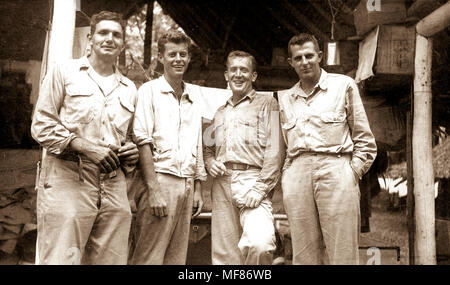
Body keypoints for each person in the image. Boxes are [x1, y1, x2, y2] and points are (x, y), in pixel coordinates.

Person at [31, 11, 139, 265]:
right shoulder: (65, 71)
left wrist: (130, 151)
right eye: (103, 33)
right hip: (68, 177)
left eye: (116, 35)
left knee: (111, 261)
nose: (109, 39)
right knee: (61, 258)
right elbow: (42, 125)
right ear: (90, 38)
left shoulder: (129, 88)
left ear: (122, 44)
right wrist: (84, 147)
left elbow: (129, 138)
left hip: (113, 183)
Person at [278, 33, 377, 265]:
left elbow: (365, 140)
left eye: (309, 55)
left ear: (320, 56)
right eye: (298, 57)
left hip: (336, 169)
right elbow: (283, 146)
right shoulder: (286, 99)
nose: (305, 62)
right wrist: (288, 176)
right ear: (290, 62)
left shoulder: (343, 85)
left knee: (342, 252)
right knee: (303, 254)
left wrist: (351, 172)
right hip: (298, 174)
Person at [129, 30, 207, 265]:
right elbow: (142, 140)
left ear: (189, 58)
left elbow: (197, 143)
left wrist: (198, 188)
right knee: (149, 257)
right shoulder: (149, 91)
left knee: (176, 259)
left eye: (183, 54)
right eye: (172, 54)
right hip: (160, 181)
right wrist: (153, 190)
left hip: (186, 184)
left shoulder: (194, 95)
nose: (178, 59)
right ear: (161, 57)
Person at [204, 50, 285, 265]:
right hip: (222, 185)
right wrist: (210, 162)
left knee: (260, 245)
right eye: (234, 70)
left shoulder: (269, 104)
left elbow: (276, 152)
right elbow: (208, 149)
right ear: (226, 75)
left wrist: (260, 189)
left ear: (254, 76)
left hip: (253, 181)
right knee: (224, 256)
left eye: (244, 70)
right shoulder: (218, 111)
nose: (238, 74)